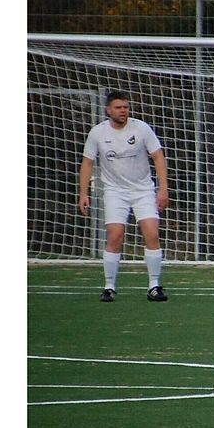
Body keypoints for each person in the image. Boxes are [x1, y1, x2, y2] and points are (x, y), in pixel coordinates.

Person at [78, 90, 169, 302]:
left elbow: (158, 156)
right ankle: (109, 286)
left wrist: (163, 188)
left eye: (126, 107)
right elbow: (87, 163)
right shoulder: (98, 133)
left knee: (152, 233)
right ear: (108, 110)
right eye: (118, 108)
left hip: (143, 190)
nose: (123, 111)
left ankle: (154, 285)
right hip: (114, 191)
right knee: (115, 235)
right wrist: (83, 193)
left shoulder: (141, 128)